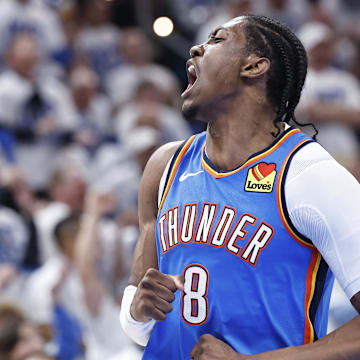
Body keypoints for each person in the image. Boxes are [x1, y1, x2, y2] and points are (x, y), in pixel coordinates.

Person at [120, 14, 360, 359]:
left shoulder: (309, 174)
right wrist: (137, 310)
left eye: (217, 40)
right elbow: (137, 326)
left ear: (254, 67)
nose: (195, 49)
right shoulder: (164, 166)